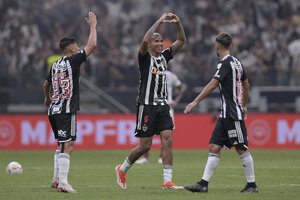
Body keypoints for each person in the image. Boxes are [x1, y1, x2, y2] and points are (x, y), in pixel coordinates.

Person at [115, 13, 186, 189]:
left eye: (161, 41)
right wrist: (159, 21)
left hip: (163, 106)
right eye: (157, 41)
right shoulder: (145, 58)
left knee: (168, 139)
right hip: (147, 106)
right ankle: (122, 169)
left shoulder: (165, 57)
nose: (160, 44)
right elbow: (145, 42)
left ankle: (167, 181)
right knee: (145, 146)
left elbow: (181, 41)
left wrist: (178, 24)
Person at [184, 33, 258, 193]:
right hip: (226, 115)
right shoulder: (238, 63)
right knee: (214, 147)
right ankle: (203, 184)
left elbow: (212, 84)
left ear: (216, 46)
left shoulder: (224, 64)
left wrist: (195, 101)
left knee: (241, 148)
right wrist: (244, 104)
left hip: (232, 114)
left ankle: (252, 185)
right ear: (230, 46)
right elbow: (246, 84)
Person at [43, 12, 97, 193]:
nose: (79, 48)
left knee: (61, 143)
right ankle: (64, 183)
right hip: (66, 109)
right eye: (77, 46)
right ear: (73, 50)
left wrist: (47, 97)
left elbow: (46, 84)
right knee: (68, 145)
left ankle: (56, 178)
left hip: (54, 109)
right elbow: (92, 45)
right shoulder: (73, 60)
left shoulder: (55, 64)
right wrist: (93, 26)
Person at [136, 70, 185, 164]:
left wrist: (176, 101)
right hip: (152, 107)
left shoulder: (171, 76)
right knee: (147, 132)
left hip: (167, 107)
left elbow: (182, 88)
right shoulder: (150, 73)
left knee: (166, 133)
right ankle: (145, 158)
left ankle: (161, 157)